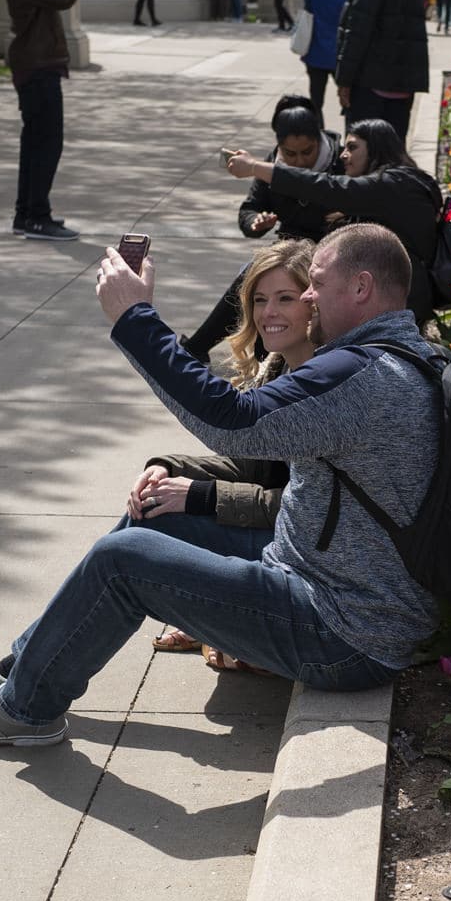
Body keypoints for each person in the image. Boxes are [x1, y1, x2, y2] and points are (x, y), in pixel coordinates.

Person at [0, 223, 441, 748]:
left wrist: (134, 319)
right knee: (154, 516)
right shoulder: (400, 357)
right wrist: (178, 474)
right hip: (324, 581)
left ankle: (26, 711)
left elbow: (229, 418)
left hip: (344, 631)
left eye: (314, 285)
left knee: (124, 559)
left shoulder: (363, 378)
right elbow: (258, 459)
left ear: (362, 288)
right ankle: (22, 665)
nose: (306, 295)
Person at [143, 240, 316, 671]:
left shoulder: (328, 384)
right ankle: (209, 622)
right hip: (280, 537)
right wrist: (168, 467)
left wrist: (200, 496)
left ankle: (214, 624)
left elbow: (302, 505)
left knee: (128, 551)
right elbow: (255, 467)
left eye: (284, 299)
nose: (267, 312)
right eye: (259, 300)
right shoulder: (277, 365)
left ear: (315, 302)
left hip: (307, 558)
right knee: (152, 501)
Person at [225, 117, 440, 325]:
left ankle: (197, 349)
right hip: (386, 292)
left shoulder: (392, 184)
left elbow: (325, 187)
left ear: (375, 148)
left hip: (400, 300)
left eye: (352, 147)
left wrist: (254, 167)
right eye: (344, 148)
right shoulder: (398, 182)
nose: (344, 155)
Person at [184, 98, 341, 359]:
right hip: (287, 246)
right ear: (279, 147)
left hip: (330, 247)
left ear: (319, 139)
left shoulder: (339, 160)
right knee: (253, 278)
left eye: (307, 152)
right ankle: (200, 349)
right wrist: (256, 222)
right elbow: (248, 210)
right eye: (291, 154)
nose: (299, 161)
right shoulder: (272, 164)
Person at [2, 0, 93, 241]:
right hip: (37, 67)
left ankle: (26, 214)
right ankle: (37, 216)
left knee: (35, 143)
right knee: (46, 143)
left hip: (38, 65)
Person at [334, 0, 430, 140]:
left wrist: (344, 80)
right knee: (393, 154)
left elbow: (357, 32)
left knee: (361, 156)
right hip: (403, 85)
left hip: (370, 84)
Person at [300, 0, 351, 110]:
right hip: (339, 54)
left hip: (314, 51)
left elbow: (308, 12)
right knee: (349, 100)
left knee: (316, 101)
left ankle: (318, 133)